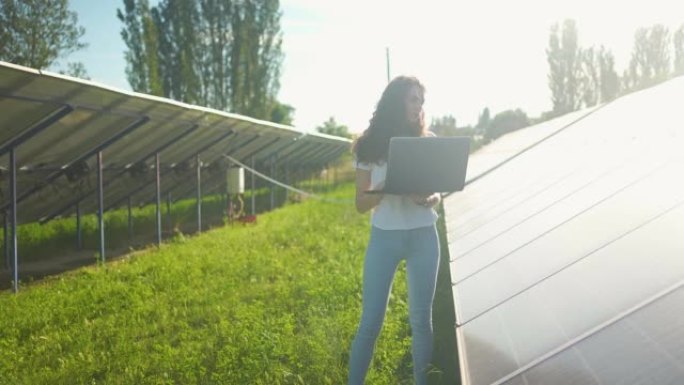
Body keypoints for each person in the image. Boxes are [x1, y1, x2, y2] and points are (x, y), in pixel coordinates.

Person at [348, 75, 441, 385]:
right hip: (384, 239)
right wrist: (388, 187)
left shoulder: (427, 141)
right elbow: (361, 203)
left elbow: (437, 192)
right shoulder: (368, 145)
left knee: (421, 320)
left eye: (421, 101)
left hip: (423, 236)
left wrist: (430, 198)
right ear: (396, 100)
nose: (418, 107)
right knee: (370, 322)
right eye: (413, 99)